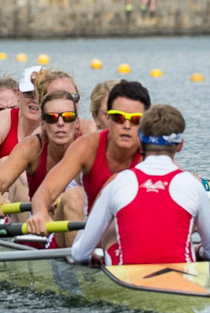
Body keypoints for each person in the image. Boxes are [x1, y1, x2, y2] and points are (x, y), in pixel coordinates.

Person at [66, 102, 210, 268]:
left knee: (111, 235)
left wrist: (88, 258)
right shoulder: (192, 184)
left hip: (128, 281)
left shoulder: (118, 182)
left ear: (140, 143)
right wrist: (200, 252)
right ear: (180, 146)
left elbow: (79, 253)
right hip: (184, 282)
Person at [27, 78, 149, 235]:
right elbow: (46, 191)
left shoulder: (152, 151)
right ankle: (76, 257)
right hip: (86, 234)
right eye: (118, 117)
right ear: (107, 118)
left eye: (135, 119)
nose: (126, 125)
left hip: (124, 234)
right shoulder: (87, 146)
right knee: (73, 196)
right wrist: (40, 212)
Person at [0, 73, 89, 223]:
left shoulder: (90, 140)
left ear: (77, 122)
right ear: (42, 123)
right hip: (39, 226)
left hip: (77, 225)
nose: (60, 123)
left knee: (74, 198)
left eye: (68, 117)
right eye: (52, 117)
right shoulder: (32, 147)